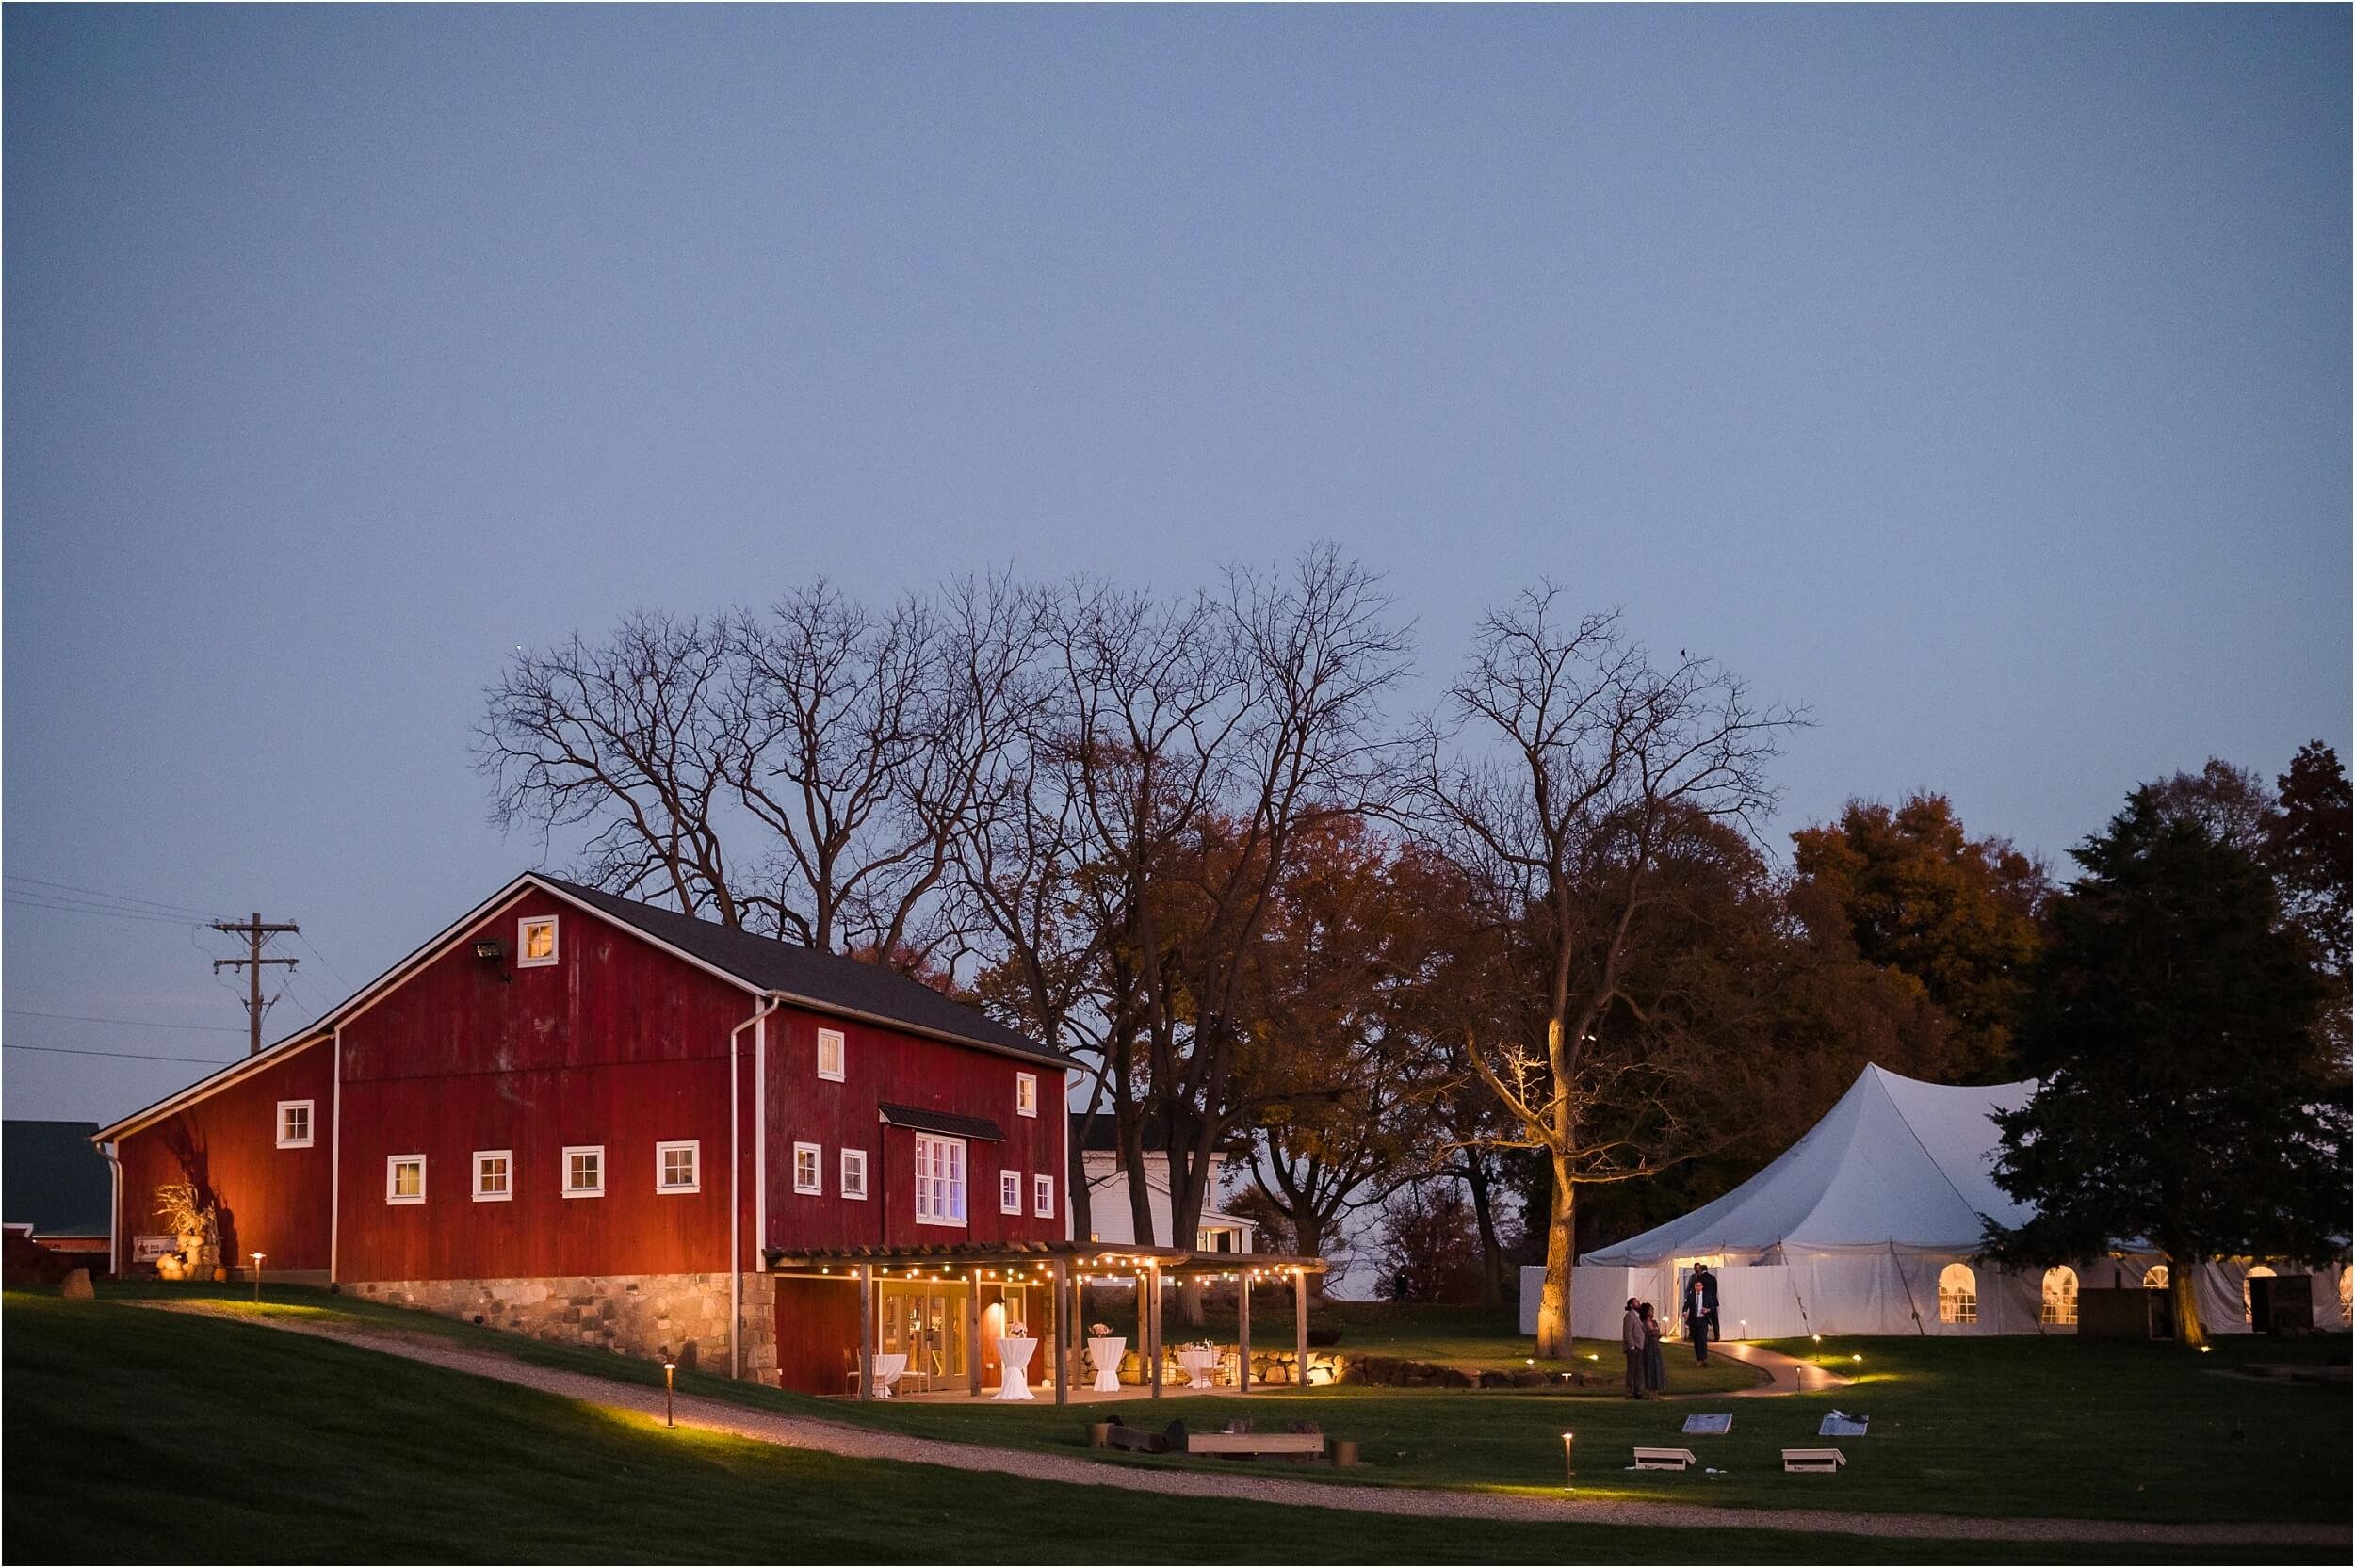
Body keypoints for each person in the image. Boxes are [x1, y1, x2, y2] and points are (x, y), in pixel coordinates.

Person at [1683, 1264, 1720, 1364]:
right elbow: (1686, 1305)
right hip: (1695, 1319)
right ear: (1695, 1287)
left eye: (1699, 1286)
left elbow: (1711, 1306)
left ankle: (1704, 1359)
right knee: (1697, 1340)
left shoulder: (1705, 1293)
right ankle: (1699, 1358)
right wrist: (1685, 1312)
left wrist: (1707, 1310)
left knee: (1703, 1339)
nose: (1698, 1287)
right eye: (1696, 1286)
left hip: (1703, 1319)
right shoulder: (1692, 1296)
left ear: (1702, 1286)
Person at [1620, 1297, 1648, 1398]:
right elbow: (1628, 1332)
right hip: (1633, 1347)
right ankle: (1629, 1391)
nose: (1638, 1303)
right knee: (1631, 1370)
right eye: (1636, 1302)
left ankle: (1638, 1390)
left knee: (1639, 1370)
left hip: (1640, 1347)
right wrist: (1631, 1347)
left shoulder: (1639, 1316)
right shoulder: (1629, 1316)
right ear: (1631, 1305)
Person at [1640, 1301, 1666, 1393]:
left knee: (1657, 1367)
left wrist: (1657, 1333)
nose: (1652, 1311)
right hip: (1648, 1347)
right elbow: (1645, 1334)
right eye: (1650, 1309)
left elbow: (1658, 1334)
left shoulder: (1654, 1322)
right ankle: (1650, 1390)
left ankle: (1656, 1390)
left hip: (1656, 1348)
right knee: (1649, 1368)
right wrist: (1653, 1332)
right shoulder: (1643, 1324)